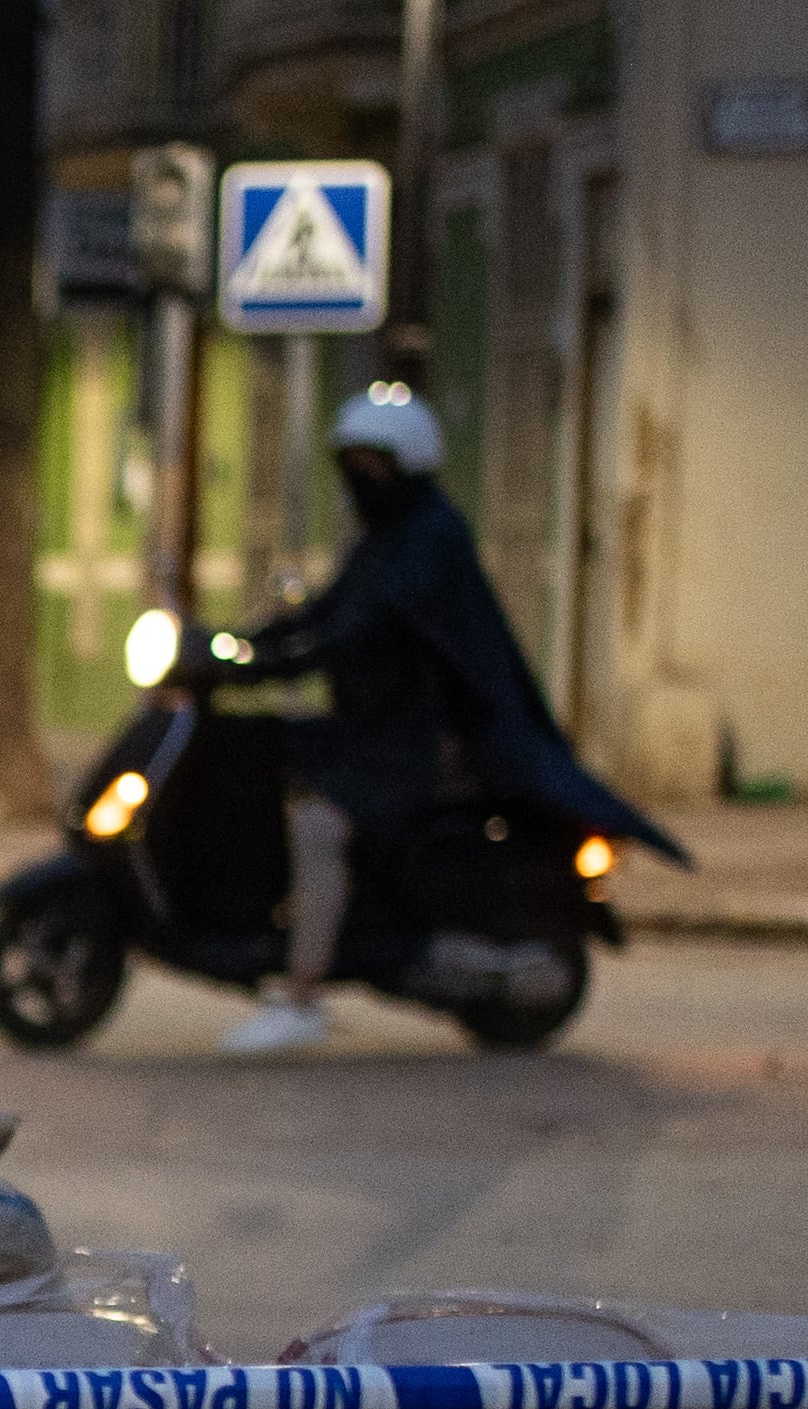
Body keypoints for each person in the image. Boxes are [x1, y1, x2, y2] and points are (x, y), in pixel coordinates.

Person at [218, 385, 674, 1054]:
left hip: (415, 746)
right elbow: (327, 611)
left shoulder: (429, 539)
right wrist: (238, 643)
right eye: (351, 462)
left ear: (404, 464)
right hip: (373, 733)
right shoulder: (385, 537)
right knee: (265, 763)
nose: (357, 477)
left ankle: (302, 995)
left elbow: (359, 627)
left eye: (370, 464)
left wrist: (274, 663)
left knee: (317, 825)